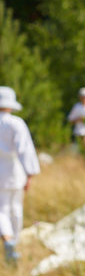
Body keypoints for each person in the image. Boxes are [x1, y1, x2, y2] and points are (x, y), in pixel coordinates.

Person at [0, 86, 40, 266]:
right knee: (16, 208)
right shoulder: (16, 123)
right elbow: (25, 150)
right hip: (15, 171)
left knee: (1, 210)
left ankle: (8, 240)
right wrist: (30, 172)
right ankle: (13, 242)